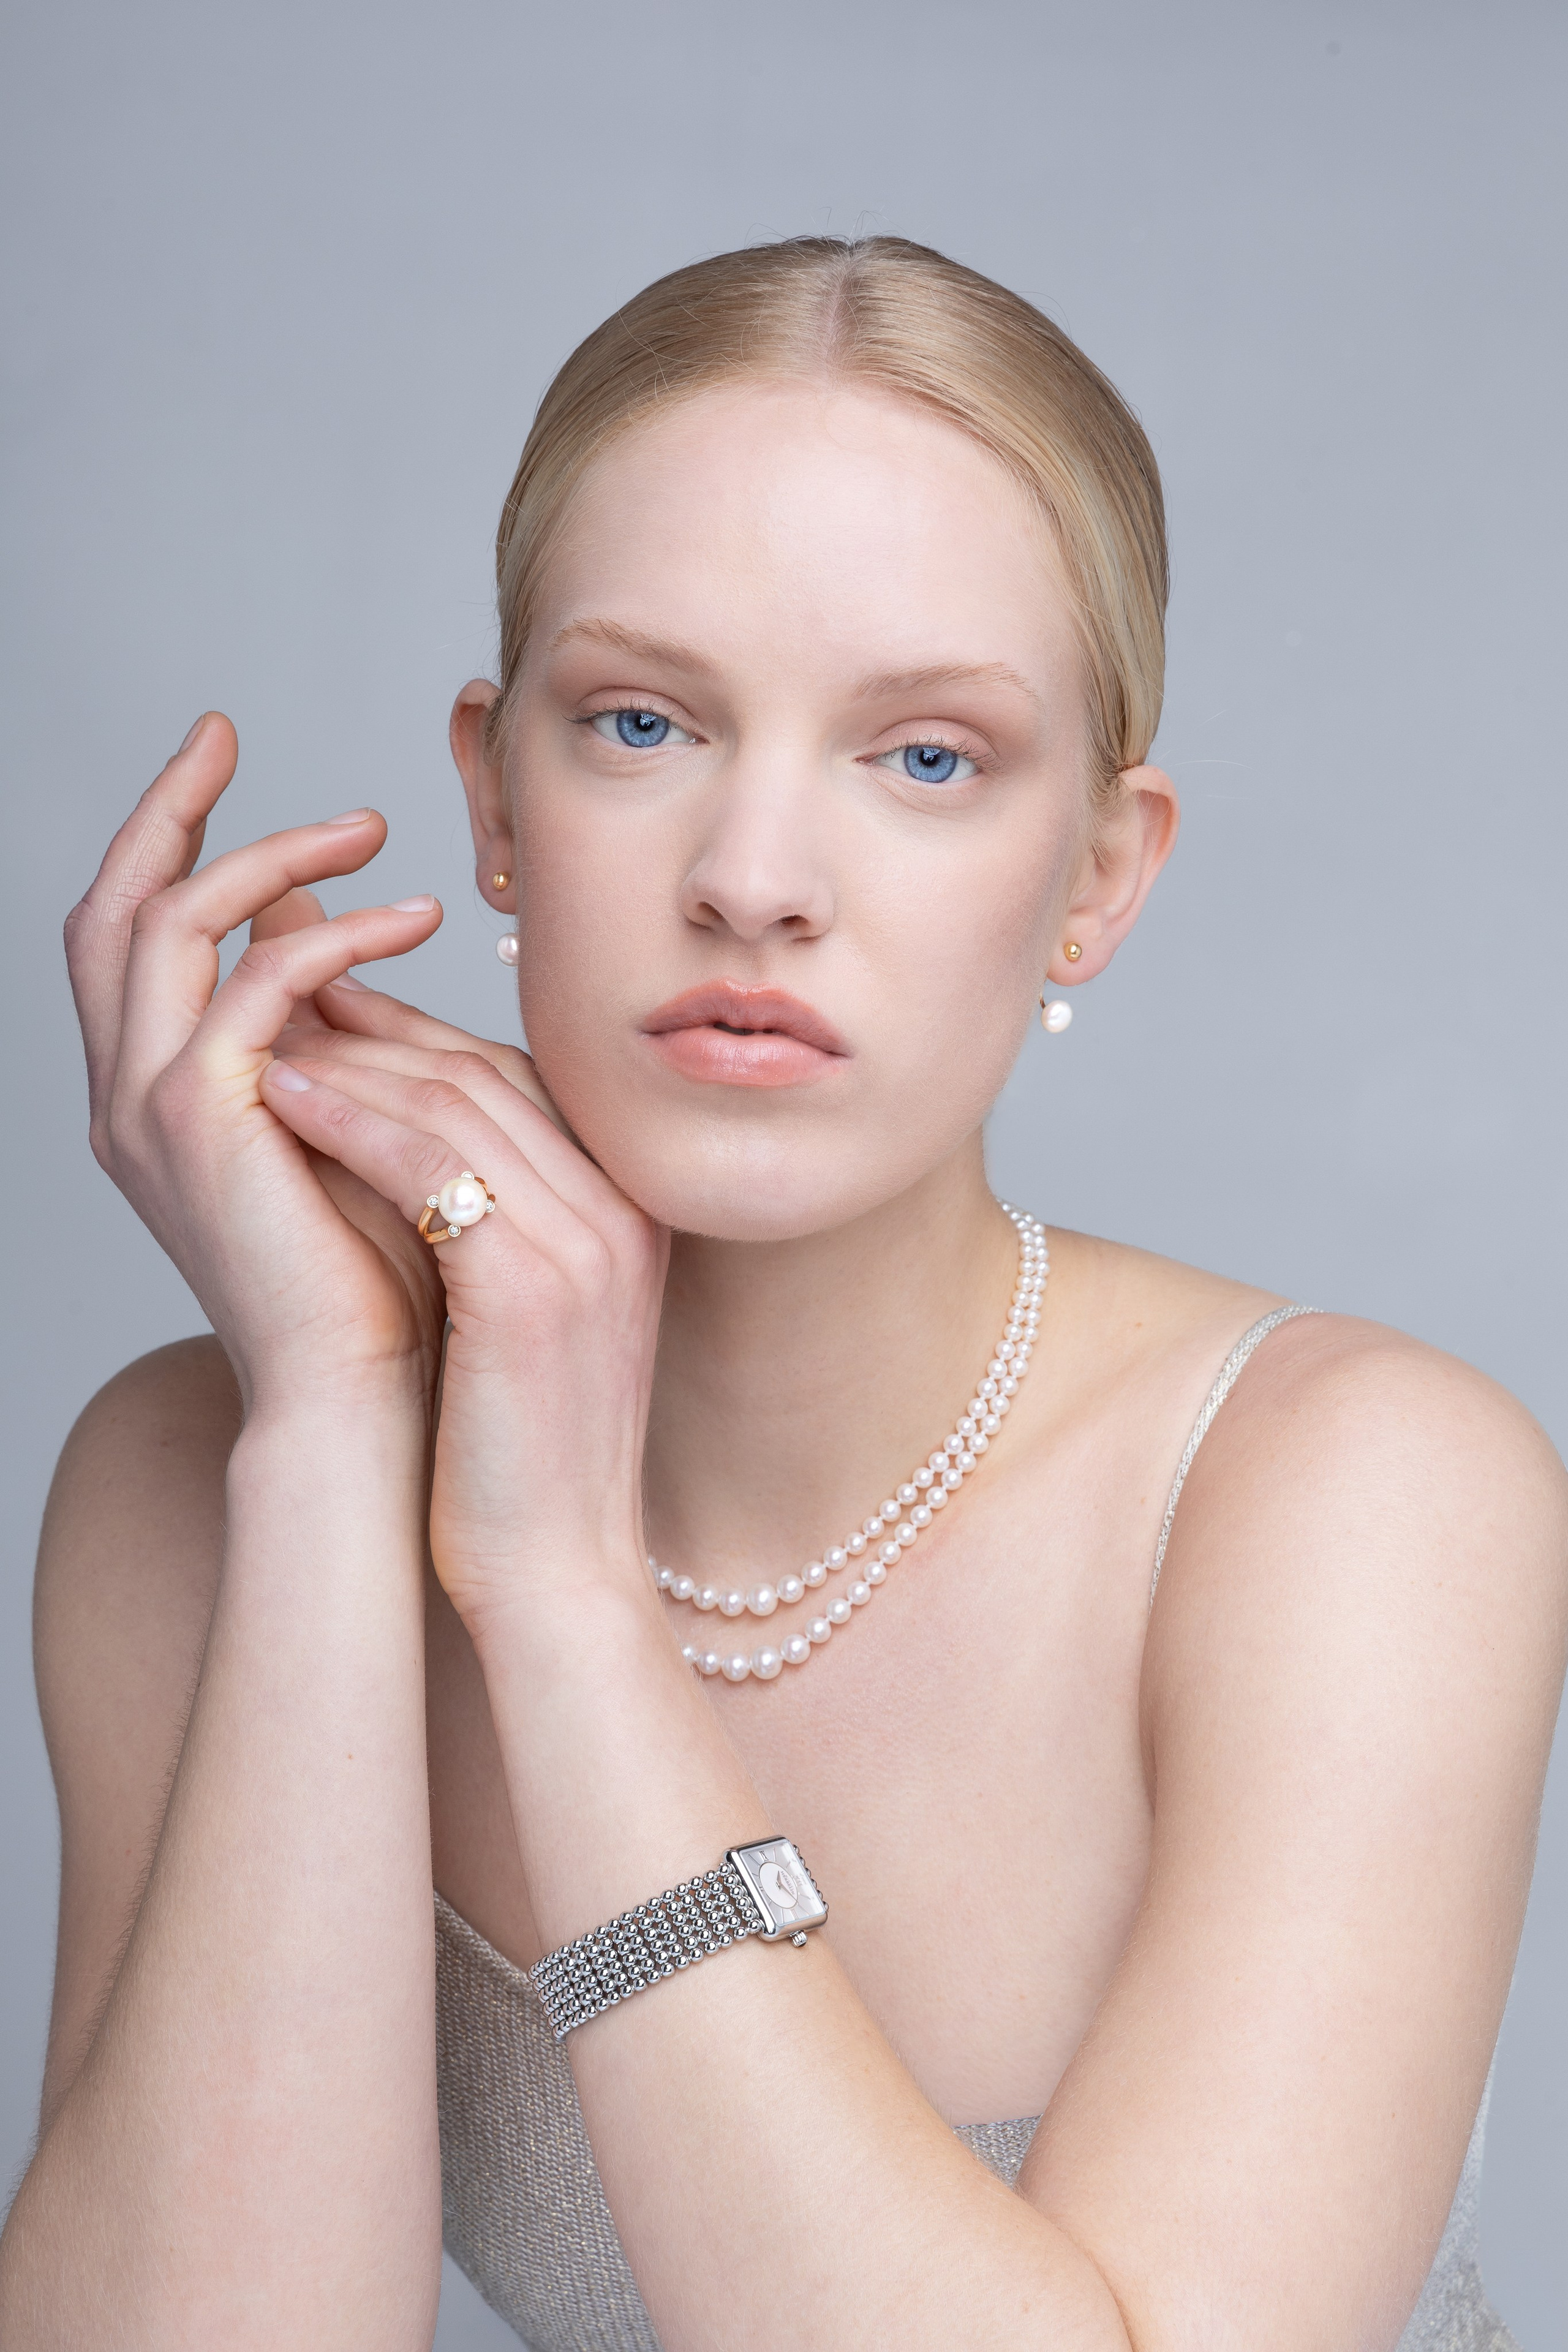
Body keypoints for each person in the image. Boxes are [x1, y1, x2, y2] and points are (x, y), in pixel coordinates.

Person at [1, 235, 1562, 2352]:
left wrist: (558, 1595)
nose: (753, 873)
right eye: (641, 722)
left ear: (1098, 874)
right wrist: (337, 1436)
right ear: (497, 800)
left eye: (925, 758)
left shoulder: (1361, 1504)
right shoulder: (196, 1481)